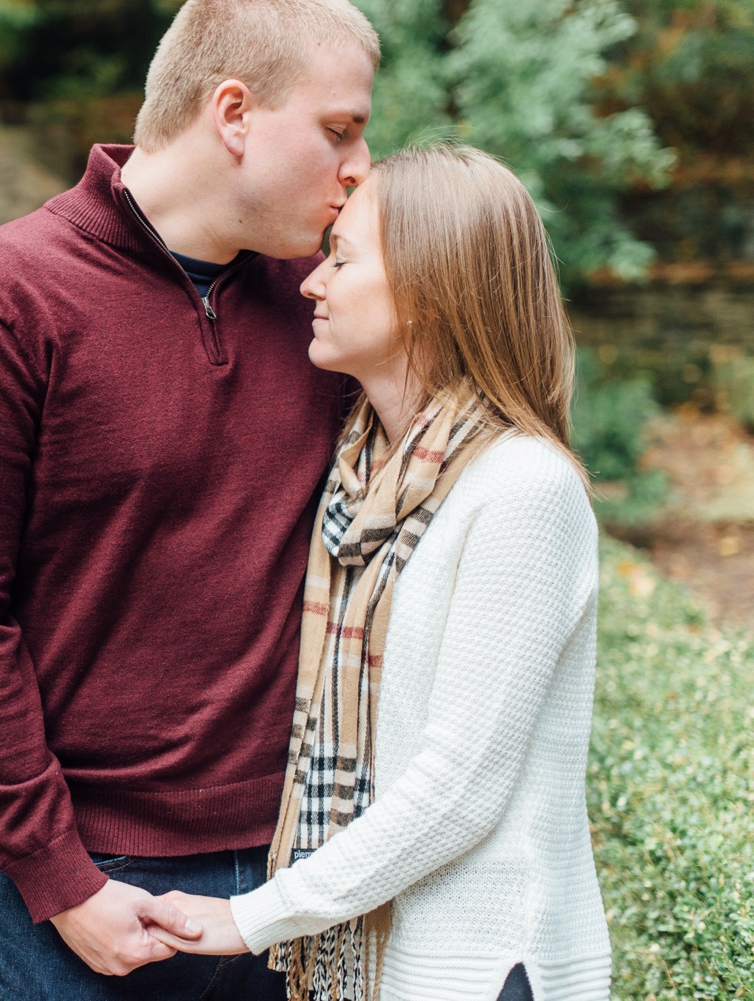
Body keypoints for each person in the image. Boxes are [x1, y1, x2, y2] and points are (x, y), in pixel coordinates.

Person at [0, 0, 379, 997]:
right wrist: (59, 876)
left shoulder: (329, 304)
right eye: (340, 128)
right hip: (77, 894)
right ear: (233, 114)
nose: (360, 164)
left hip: (290, 875)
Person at [148, 144, 613, 1001]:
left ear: (431, 295)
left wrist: (255, 915)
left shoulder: (521, 489)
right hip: (380, 963)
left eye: (343, 259)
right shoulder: (361, 481)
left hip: (480, 966)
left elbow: (461, 784)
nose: (310, 283)